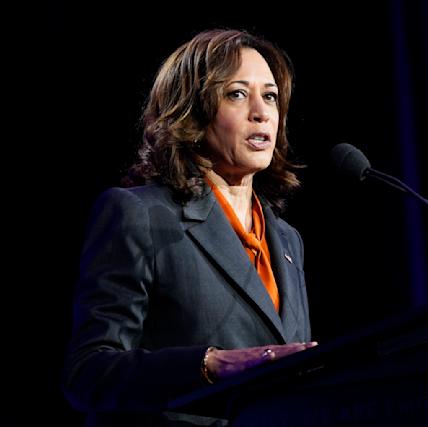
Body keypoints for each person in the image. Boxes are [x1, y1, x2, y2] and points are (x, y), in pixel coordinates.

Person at [62, 28, 316, 427]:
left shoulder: (287, 240)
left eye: (270, 96)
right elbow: (88, 373)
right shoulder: (139, 214)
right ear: (192, 112)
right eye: (237, 94)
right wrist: (210, 365)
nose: (262, 112)